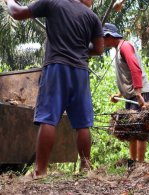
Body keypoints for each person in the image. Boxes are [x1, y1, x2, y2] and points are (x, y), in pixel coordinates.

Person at [4, 0, 104, 178]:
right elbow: (98, 49)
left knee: (49, 119)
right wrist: (79, 48)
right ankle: (86, 168)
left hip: (57, 67)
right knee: (83, 124)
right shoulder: (92, 17)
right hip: (80, 71)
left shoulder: (54, 3)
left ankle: (41, 171)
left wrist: (9, 1)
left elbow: (17, 13)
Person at [103, 23, 149, 167]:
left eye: (103, 38)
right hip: (131, 94)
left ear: (110, 36)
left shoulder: (125, 46)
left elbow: (135, 69)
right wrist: (119, 94)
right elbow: (126, 76)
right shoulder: (118, 49)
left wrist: (138, 93)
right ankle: (132, 161)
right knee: (131, 128)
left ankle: (141, 163)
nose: (102, 42)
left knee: (140, 129)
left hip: (140, 93)